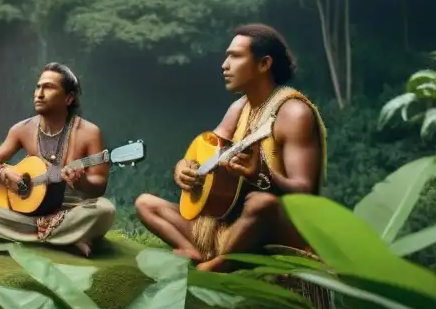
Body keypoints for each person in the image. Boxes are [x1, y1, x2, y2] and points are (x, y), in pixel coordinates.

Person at [135, 23, 327, 272]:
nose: (224, 65)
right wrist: (183, 168)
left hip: (275, 230)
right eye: (227, 56)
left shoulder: (294, 113)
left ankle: (220, 264)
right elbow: (205, 150)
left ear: (264, 64)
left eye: (235, 56)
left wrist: (262, 175)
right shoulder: (239, 108)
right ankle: (196, 252)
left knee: (261, 203)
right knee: (146, 203)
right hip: (231, 227)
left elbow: (305, 192)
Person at [0, 63, 116, 258]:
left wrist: (82, 182)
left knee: (105, 210)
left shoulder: (89, 132)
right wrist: (4, 172)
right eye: (38, 87)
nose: (40, 93)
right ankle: (64, 239)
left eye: (49, 87)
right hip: (25, 215)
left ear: (68, 98)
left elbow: (100, 184)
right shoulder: (22, 129)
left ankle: (28, 236)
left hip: (70, 211)